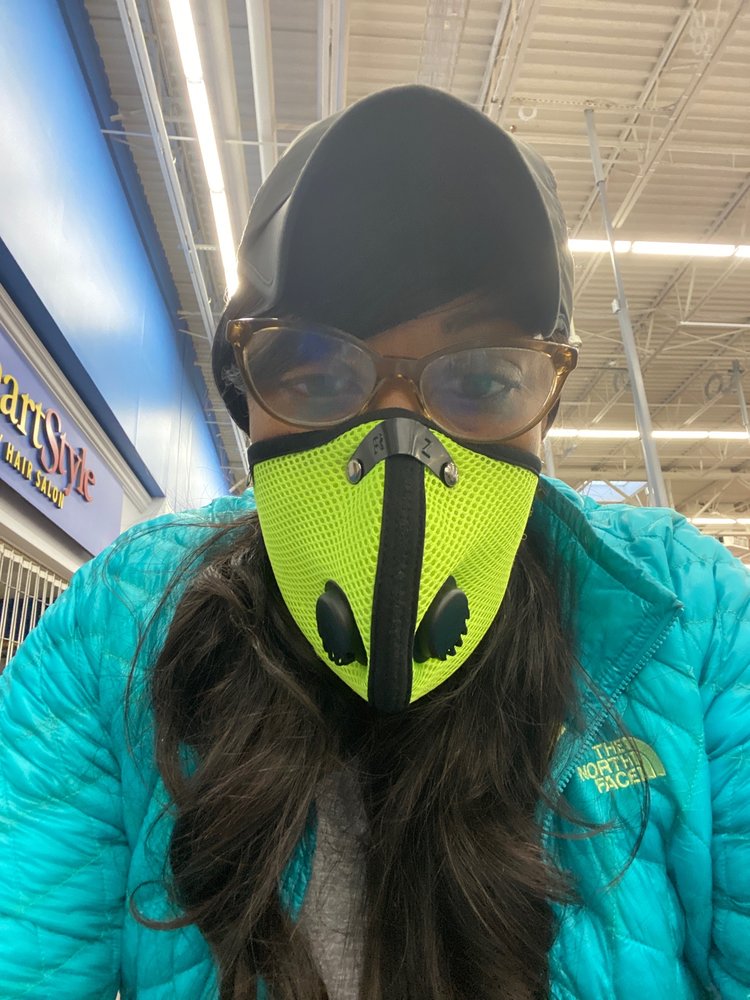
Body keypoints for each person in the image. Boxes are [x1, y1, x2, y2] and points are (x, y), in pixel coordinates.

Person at [0, 85, 748, 1000]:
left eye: (482, 378)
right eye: (316, 371)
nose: (400, 445)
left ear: (545, 399)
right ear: (243, 391)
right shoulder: (115, 632)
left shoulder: (697, 622)